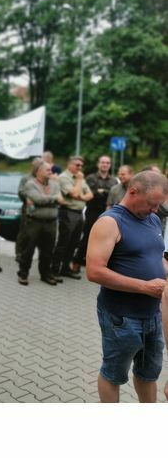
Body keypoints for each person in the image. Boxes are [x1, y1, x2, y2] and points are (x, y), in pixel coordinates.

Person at [86, 171, 168, 403]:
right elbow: (94, 271)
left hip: (153, 315)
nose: (155, 210)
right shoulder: (109, 222)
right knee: (113, 374)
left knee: (148, 373)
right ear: (133, 192)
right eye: (152, 204)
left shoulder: (152, 219)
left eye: (158, 205)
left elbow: (155, 257)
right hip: (121, 318)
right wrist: (143, 286)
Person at [17, 160, 64, 286]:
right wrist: (53, 199)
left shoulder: (55, 184)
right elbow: (37, 199)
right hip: (34, 222)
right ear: (38, 171)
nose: (51, 172)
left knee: (48, 250)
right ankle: (23, 273)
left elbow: (61, 200)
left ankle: (45, 274)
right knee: (28, 249)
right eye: (48, 170)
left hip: (51, 223)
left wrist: (47, 199)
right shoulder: (30, 184)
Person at [72, 155, 117, 272]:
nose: (105, 165)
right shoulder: (91, 178)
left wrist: (101, 191)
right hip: (93, 211)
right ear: (98, 164)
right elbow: (91, 193)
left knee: (106, 239)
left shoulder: (113, 180)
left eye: (107, 163)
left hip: (108, 212)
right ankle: (76, 261)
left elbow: (112, 195)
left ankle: (98, 264)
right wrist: (101, 193)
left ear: (110, 165)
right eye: (103, 162)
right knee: (88, 236)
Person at [51, 155, 92, 280]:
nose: (80, 168)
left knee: (74, 242)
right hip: (67, 212)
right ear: (69, 164)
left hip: (79, 213)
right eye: (77, 165)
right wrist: (79, 182)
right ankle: (55, 269)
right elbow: (74, 193)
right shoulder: (64, 178)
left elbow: (90, 195)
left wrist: (80, 196)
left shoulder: (79, 177)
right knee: (64, 242)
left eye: (81, 165)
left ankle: (65, 269)